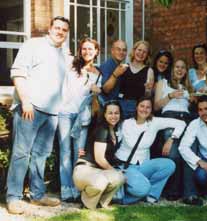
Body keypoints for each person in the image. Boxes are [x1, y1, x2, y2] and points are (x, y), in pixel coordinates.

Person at [6, 16, 70, 214]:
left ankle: (37, 195)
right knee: (21, 154)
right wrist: (25, 101)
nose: (60, 32)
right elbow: (18, 72)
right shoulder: (33, 45)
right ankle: (13, 197)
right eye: (57, 27)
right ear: (49, 28)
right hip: (30, 108)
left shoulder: (63, 53)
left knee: (41, 155)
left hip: (52, 112)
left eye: (64, 30)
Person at [114, 96, 186, 204]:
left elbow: (181, 123)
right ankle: (122, 199)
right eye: (142, 106)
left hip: (143, 166)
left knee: (169, 165)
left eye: (148, 107)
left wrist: (171, 139)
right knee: (143, 189)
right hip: (126, 167)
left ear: (151, 109)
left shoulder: (154, 122)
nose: (144, 109)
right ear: (136, 107)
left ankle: (151, 195)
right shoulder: (125, 123)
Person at [58, 38, 102, 202]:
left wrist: (95, 91)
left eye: (91, 49)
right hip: (65, 113)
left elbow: (94, 100)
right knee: (65, 152)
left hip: (82, 118)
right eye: (84, 49)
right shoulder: (71, 67)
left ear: (97, 51)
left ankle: (76, 189)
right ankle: (65, 188)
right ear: (80, 50)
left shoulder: (98, 74)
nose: (87, 52)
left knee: (78, 153)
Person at [72, 100, 125, 209]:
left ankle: (101, 203)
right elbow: (100, 159)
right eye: (110, 113)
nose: (113, 116)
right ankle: (86, 203)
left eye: (116, 113)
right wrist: (114, 170)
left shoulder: (113, 131)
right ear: (104, 114)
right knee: (103, 180)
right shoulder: (102, 129)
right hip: (85, 170)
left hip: (98, 171)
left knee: (120, 178)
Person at [154, 59, 193, 200]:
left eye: (183, 67)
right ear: (172, 69)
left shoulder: (188, 87)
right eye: (177, 66)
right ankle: (173, 190)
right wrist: (170, 96)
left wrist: (192, 101)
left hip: (187, 119)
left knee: (188, 153)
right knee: (173, 154)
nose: (180, 69)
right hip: (170, 118)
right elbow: (156, 106)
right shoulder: (163, 83)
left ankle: (189, 191)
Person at [119, 41, 155, 119]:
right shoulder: (124, 67)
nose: (141, 53)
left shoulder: (149, 71)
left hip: (138, 108)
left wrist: (148, 90)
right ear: (134, 50)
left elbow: (147, 96)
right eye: (139, 50)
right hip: (122, 106)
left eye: (144, 52)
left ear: (147, 55)